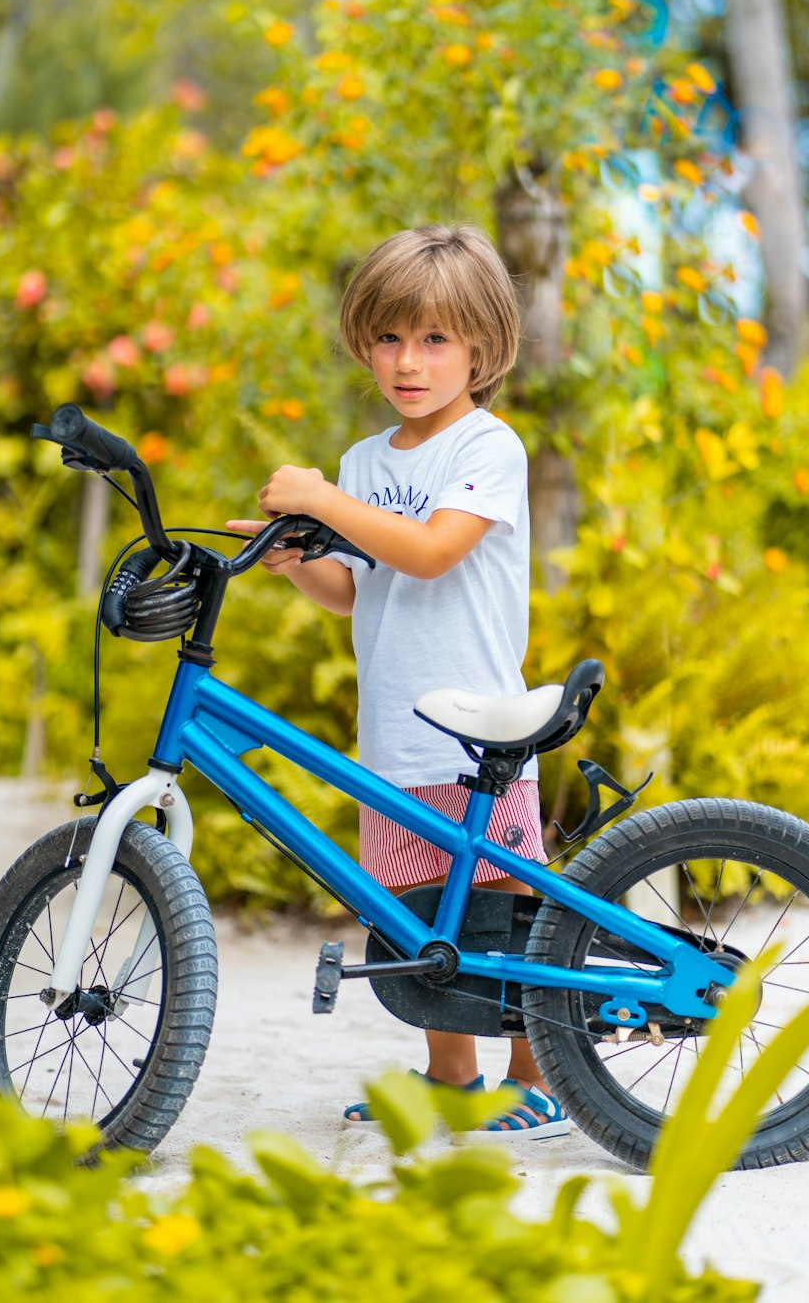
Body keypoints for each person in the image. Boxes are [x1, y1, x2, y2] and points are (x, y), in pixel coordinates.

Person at [227, 223, 569, 1140]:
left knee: (506, 912)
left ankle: (537, 1079)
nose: (407, 362)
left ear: (481, 349)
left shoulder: (486, 448)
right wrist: (301, 559)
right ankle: (450, 1081)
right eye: (388, 338)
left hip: (478, 734)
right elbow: (357, 587)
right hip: (397, 732)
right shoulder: (366, 461)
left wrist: (323, 502)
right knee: (422, 918)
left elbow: (427, 552)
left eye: (433, 340)